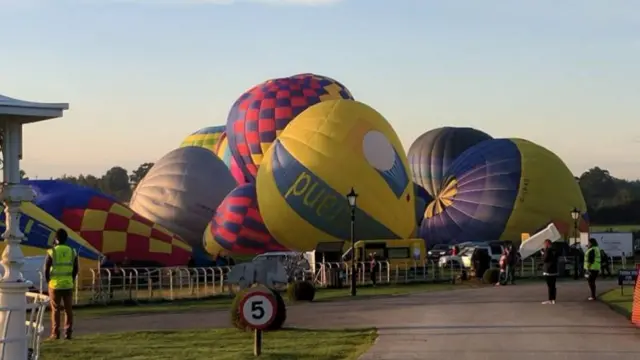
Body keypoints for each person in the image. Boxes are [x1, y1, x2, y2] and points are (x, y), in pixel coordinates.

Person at [45, 229, 79, 340]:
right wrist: (71, 279)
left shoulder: (52, 251)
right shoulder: (72, 251)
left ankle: (55, 333)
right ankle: (68, 333)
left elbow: (46, 269)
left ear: (56, 239)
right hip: (68, 285)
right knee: (68, 310)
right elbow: (76, 269)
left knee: (55, 310)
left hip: (55, 285)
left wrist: (48, 281)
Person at [541, 239, 559, 304]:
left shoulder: (547, 250)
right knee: (553, 285)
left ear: (547, 244)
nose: (544, 245)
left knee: (549, 286)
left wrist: (542, 254)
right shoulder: (555, 250)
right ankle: (553, 299)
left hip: (548, 270)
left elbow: (544, 259)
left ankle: (550, 299)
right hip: (554, 270)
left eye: (545, 244)